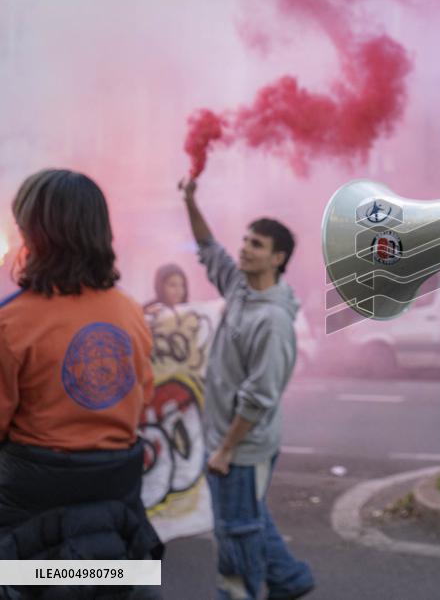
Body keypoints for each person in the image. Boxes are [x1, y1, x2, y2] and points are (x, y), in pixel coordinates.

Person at [0, 169, 162, 594]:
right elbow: (140, 402)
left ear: (36, 234)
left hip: (28, 536)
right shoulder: (131, 313)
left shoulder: (11, 322)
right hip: (118, 524)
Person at [179, 177, 313, 600]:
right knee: (248, 516)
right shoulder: (238, 286)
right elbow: (208, 248)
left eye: (256, 244)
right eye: (246, 240)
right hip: (226, 441)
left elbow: (260, 396)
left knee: (235, 532)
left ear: (277, 258)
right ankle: (290, 579)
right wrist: (189, 199)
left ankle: (239, 592)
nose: (244, 248)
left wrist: (225, 450)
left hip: (241, 448)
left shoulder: (273, 322)